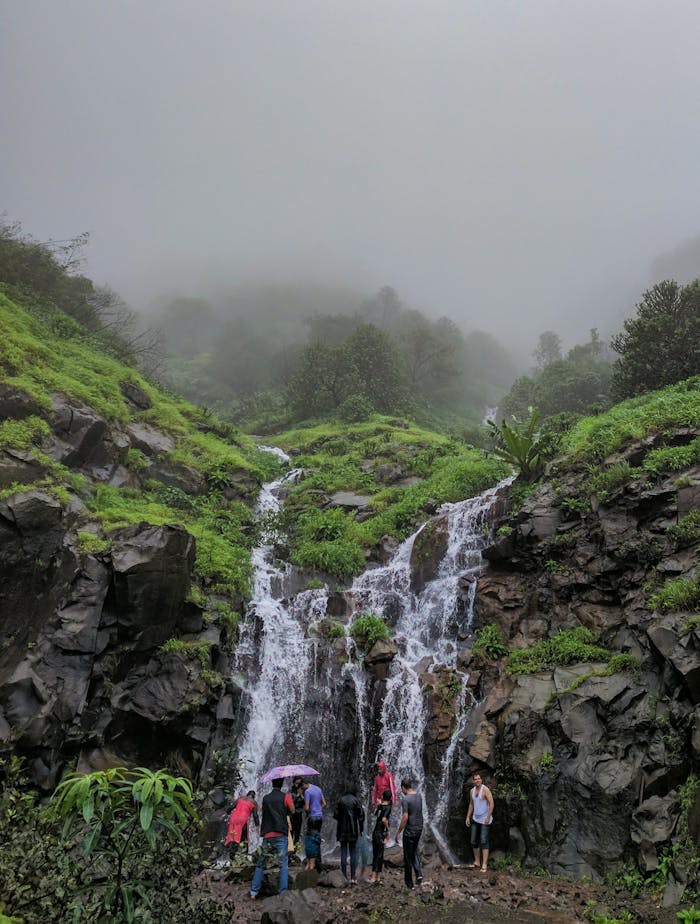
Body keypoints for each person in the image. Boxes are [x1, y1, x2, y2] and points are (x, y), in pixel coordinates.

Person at [250, 778, 294, 899]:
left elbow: (264, 812)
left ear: (272, 784)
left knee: (261, 863)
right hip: (281, 834)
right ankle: (283, 892)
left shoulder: (266, 798)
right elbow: (292, 810)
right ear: (282, 784)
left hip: (268, 834)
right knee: (283, 864)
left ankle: (254, 892)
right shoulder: (286, 797)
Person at [395, 778, 424, 890]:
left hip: (410, 830)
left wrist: (398, 832)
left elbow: (405, 817)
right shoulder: (419, 796)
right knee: (414, 851)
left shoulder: (406, 799)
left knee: (407, 856)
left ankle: (409, 883)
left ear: (403, 787)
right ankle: (419, 874)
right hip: (419, 828)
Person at [334, 785, 365, 884]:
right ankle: (353, 877)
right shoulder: (356, 800)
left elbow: (335, 815)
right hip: (353, 830)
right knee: (353, 853)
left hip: (342, 830)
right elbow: (361, 816)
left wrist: (341, 819)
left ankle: (343, 876)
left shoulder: (340, 800)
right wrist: (361, 829)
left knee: (343, 852)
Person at [465, 771, 494, 873]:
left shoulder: (485, 790)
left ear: (481, 780)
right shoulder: (472, 791)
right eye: (475, 779)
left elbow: (491, 803)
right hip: (475, 818)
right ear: (473, 781)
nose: (477, 780)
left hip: (485, 819)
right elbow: (471, 804)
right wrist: (468, 817)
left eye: (479, 779)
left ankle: (484, 864)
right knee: (473, 841)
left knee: (483, 840)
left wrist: (488, 817)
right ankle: (477, 861)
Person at [225, 790, 258, 859]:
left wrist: (227, 812)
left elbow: (232, 807)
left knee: (233, 836)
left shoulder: (240, 798)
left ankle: (231, 856)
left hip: (233, 818)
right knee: (244, 837)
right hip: (243, 819)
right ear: (254, 797)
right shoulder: (253, 802)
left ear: (247, 794)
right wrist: (257, 825)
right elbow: (255, 816)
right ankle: (244, 857)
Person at [370, 787, 392, 883]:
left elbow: (374, 814)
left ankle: (376, 877)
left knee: (376, 854)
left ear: (383, 797)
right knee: (379, 854)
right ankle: (375, 877)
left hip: (376, 832)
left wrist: (378, 804)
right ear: (390, 798)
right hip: (380, 833)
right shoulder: (388, 807)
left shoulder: (380, 806)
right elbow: (384, 819)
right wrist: (388, 830)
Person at [290, 777, 305, 849]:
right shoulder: (291, 791)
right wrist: (297, 796)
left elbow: (306, 804)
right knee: (291, 832)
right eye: (297, 783)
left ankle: (295, 850)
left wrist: (302, 797)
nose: (298, 785)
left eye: (299, 784)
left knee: (297, 833)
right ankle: (290, 849)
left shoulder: (303, 792)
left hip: (299, 815)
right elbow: (290, 803)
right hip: (292, 815)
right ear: (294, 783)